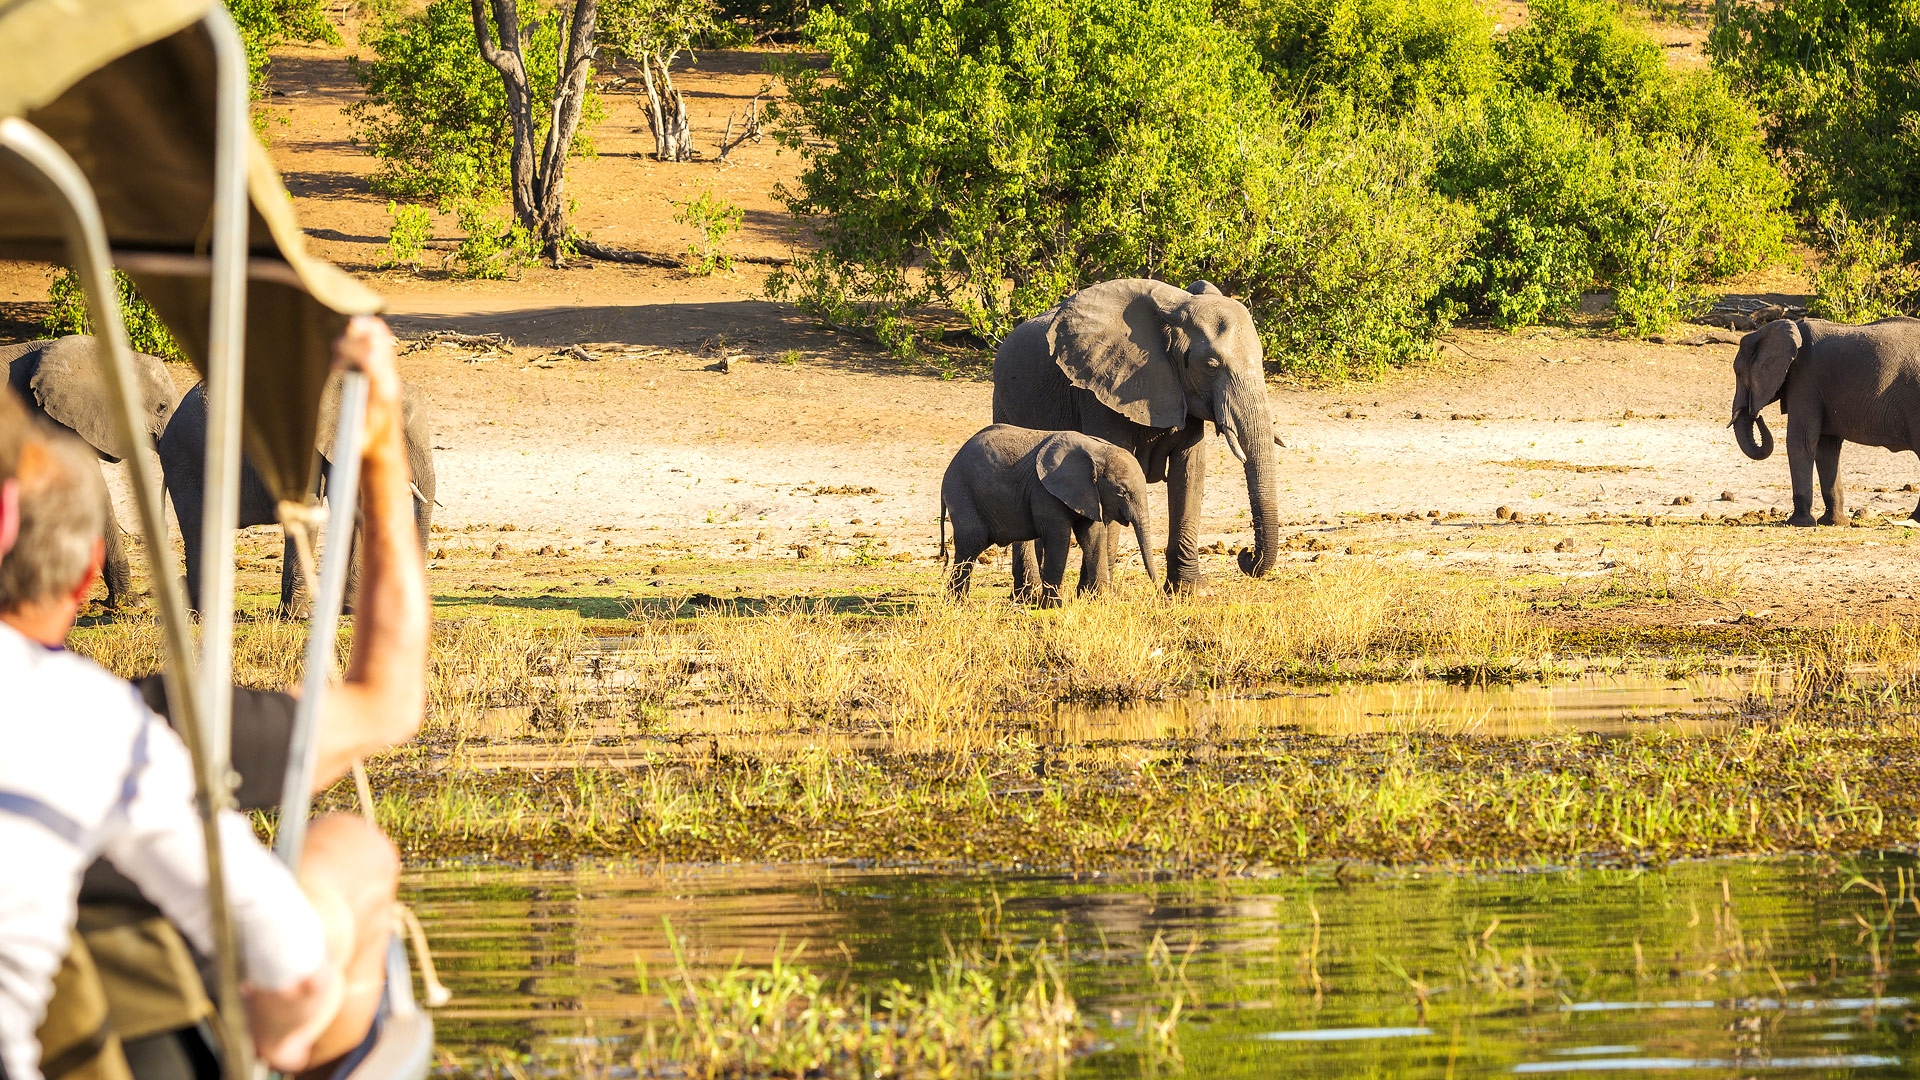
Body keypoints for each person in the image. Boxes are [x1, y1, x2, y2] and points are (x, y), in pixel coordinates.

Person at [0, 319, 420, 1080]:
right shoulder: (105, 730)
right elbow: (388, 703)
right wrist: (382, 453)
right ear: (90, 570)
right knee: (349, 850)